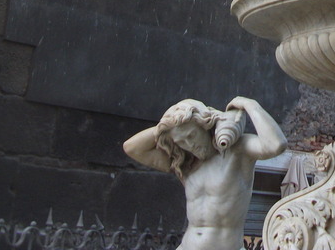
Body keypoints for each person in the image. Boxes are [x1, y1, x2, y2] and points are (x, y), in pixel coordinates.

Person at [123, 96, 287, 250]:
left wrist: (250, 105)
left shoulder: (237, 151)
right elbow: (132, 148)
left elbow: (275, 145)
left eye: (191, 135)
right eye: (182, 142)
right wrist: (166, 126)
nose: (190, 144)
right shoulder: (185, 164)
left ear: (204, 125)